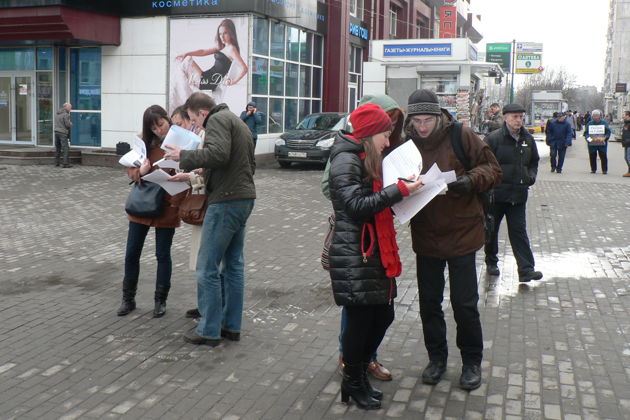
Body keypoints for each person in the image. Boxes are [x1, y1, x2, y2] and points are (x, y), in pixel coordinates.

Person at [403, 89, 502, 391]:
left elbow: (493, 169)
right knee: (429, 304)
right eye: (416, 120)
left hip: (462, 234)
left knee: (464, 304)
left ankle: (472, 361)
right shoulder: (406, 144)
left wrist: (468, 181)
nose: (422, 127)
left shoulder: (461, 134)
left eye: (427, 120)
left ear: (438, 116)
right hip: (426, 235)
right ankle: (437, 359)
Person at [328, 103, 423, 410]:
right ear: (370, 134)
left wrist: (405, 189)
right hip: (357, 253)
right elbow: (355, 206)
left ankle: (356, 377)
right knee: (360, 321)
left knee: (383, 315)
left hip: (371, 251)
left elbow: (372, 199)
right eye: (385, 134)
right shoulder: (346, 159)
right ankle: (353, 381)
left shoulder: (366, 157)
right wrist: (399, 191)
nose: (388, 141)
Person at [164, 92, 256, 346]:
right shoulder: (237, 122)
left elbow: (218, 154)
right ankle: (230, 327)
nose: (196, 125)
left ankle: (209, 329)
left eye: (194, 120)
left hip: (225, 201)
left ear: (202, 112)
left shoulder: (216, 120)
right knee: (234, 265)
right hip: (243, 198)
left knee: (207, 267)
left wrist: (184, 156)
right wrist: (196, 174)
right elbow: (235, 161)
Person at [117, 105, 186, 318]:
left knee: (162, 255)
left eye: (161, 125)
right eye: (153, 128)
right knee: (132, 254)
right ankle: (128, 299)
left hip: (167, 206)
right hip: (142, 205)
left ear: (168, 119)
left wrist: (177, 196)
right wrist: (141, 171)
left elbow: (190, 173)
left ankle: (160, 300)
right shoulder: (143, 143)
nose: (158, 130)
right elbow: (130, 170)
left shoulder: (182, 142)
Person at [483, 104, 543, 283]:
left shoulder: (527, 139)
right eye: (515, 117)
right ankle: (491, 261)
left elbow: (534, 161)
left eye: (521, 117)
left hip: (518, 195)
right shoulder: (493, 139)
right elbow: (483, 163)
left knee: (518, 232)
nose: (519, 120)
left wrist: (529, 177)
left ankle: (526, 269)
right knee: (491, 231)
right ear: (505, 117)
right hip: (496, 195)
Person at [168, 105, 206, 320]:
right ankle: (202, 304)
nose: (179, 128)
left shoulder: (202, 136)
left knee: (206, 259)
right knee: (200, 258)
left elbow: (206, 171)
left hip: (205, 202)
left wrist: (188, 176)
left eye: (181, 124)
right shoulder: (195, 137)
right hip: (199, 199)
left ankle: (207, 307)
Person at [176, 19, 248, 93]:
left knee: (185, 64)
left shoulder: (231, 49)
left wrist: (234, 81)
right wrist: (187, 53)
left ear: (231, 34)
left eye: (225, 33)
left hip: (208, 82)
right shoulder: (221, 47)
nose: (222, 37)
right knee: (186, 60)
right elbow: (203, 52)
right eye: (220, 34)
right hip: (205, 77)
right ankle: (183, 94)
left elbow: (244, 68)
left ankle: (182, 95)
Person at [584, 109, 612, 174]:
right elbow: (586, 133)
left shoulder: (604, 123)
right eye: (594, 116)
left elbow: (608, 132)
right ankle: (593, 169)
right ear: (592, 116)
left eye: (597, 115)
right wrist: (589, 139)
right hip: (592, 143)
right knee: (592, 156)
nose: (596, 117)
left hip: (602, 143)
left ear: (599, 116)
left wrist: (605, 138)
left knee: (603, 156)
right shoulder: (589, 123)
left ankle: (604, 170)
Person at [54, 102, 73, 168]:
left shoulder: (57, 113)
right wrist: (70, 124)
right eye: (70, 107)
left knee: (58, 148)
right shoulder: (66, 114)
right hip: (63, 133)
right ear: (66, 107)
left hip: (56, 132)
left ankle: (56, 163)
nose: (71, 109)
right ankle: (65, 164)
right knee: (65, 149)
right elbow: (67, 124)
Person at [622, 111, 630, 177]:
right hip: (626, 143)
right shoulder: (626, 124)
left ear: (628, 116)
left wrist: (627, 141)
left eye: (624, 115)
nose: (623, 116)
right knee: (626, 157)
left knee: (628, 157)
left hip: (629, 143)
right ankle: (629, 172)